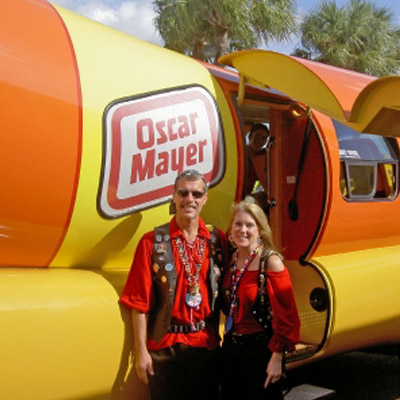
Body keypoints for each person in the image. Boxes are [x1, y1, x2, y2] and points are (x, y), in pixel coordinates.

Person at [120, 169, 227, 400]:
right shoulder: (152, 242)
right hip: (164, 350)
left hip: (205, 346)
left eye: (197, 194)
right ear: (174, 196)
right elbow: (139, 304)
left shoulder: (217, 241)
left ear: (205, 199)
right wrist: (141, 353)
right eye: (184, 193)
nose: (190, 199)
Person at [221, 201, 300, 400]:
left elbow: (286, 316)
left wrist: (277, 357)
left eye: (250, 225)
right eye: (238, 224)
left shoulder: (271, 262)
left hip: (261, 351)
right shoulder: (231, 259)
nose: (243, 230)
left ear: (260, 230)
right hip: (232, 347)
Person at [244, 123, 269, 196]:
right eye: (257, 136)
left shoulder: (263, 157)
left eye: (263, 138)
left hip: (246, 195)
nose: (259, 141)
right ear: (250, 136)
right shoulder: (240, 153)